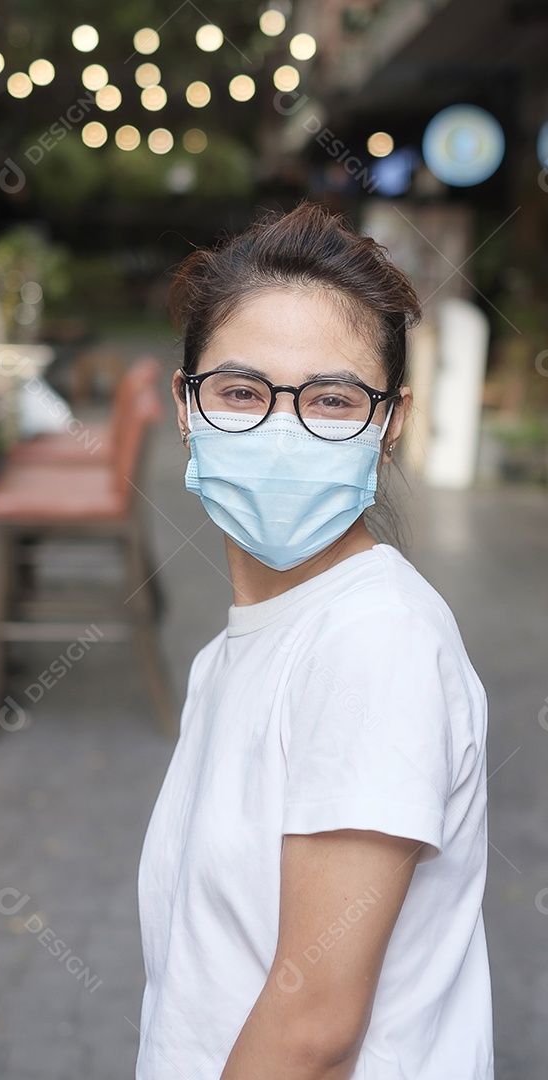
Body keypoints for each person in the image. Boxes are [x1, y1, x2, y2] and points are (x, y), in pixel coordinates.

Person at [135, 202, 494, 1080]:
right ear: (186, 405)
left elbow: (312, 1032)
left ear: (390, 422)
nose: (282, 429)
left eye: (333, 400)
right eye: (241, 392)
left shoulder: (375, 644)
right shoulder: (233, 654)